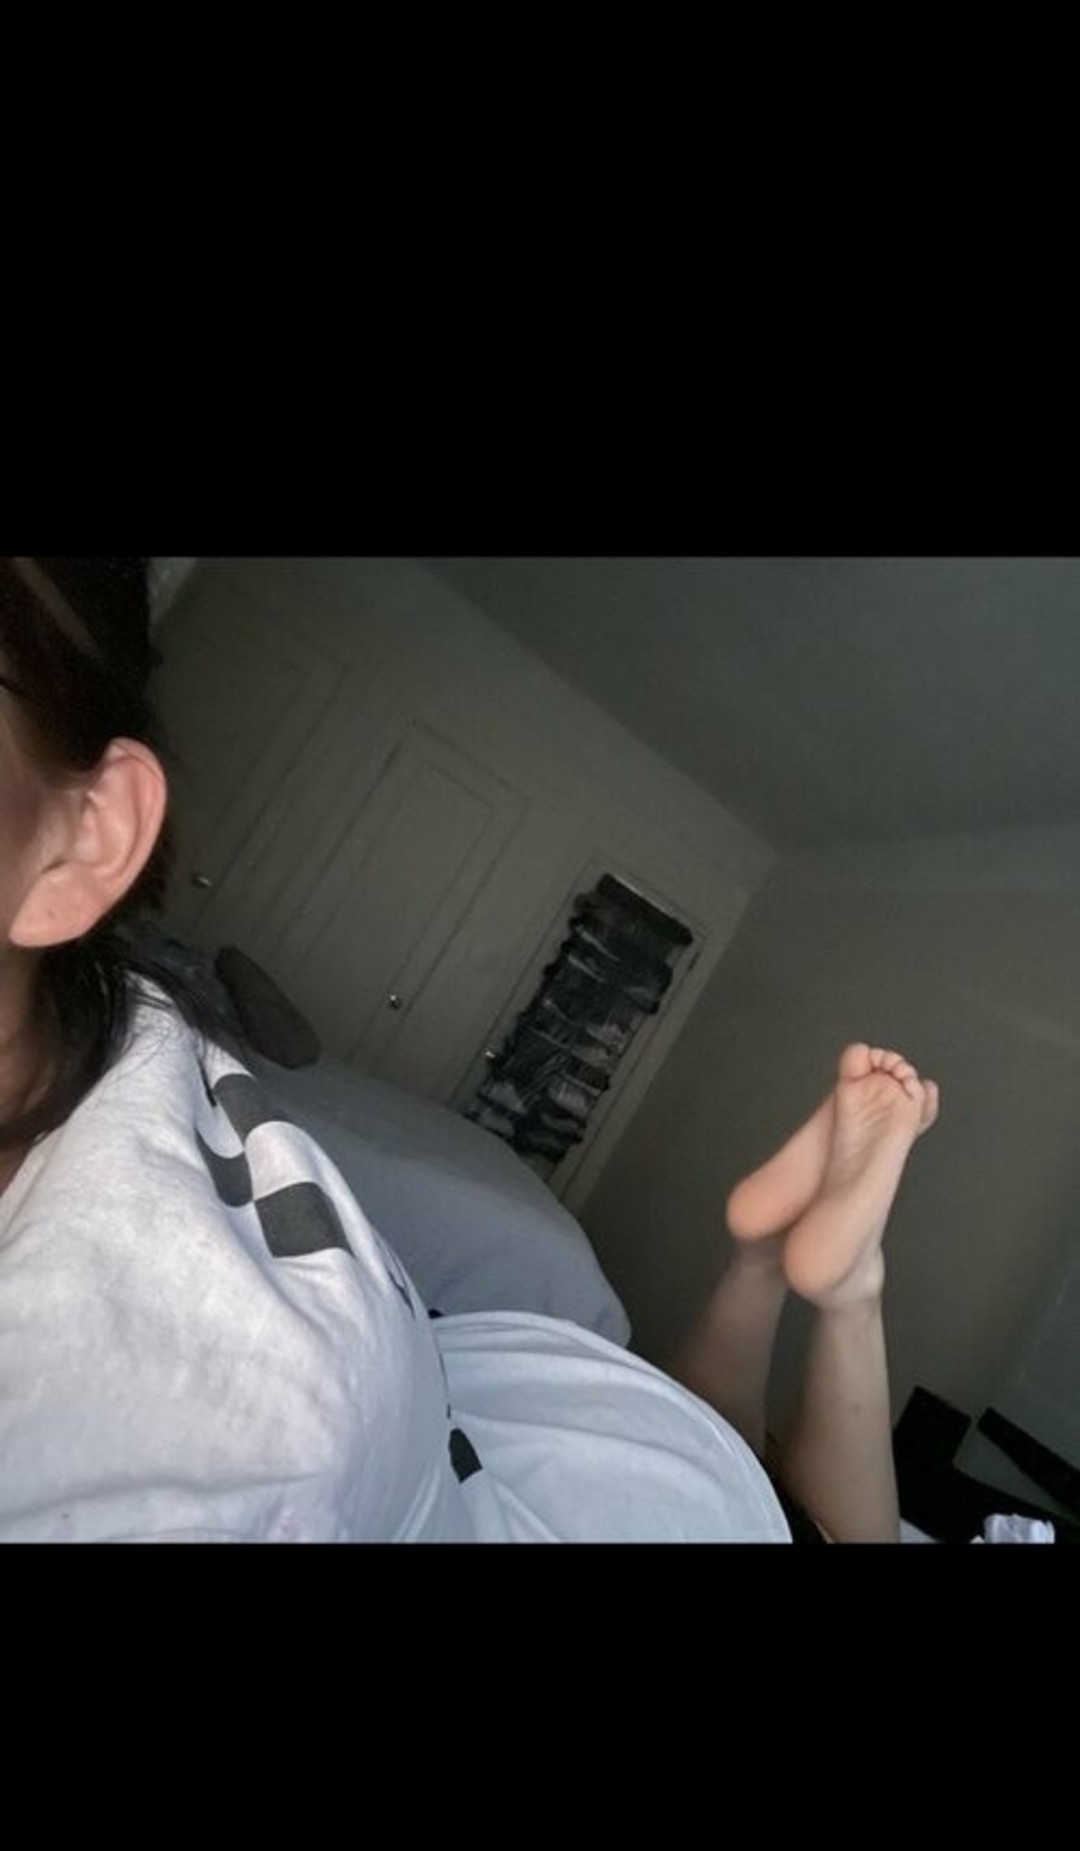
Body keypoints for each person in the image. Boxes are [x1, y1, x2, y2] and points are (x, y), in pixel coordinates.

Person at [0, 557, 939, 1543]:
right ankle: (812, 1277)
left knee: (767, 1485)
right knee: (773, 1488)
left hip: (579, 1445)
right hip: (585, 1444)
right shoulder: (139, 1037)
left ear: (83, 843)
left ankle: (785, 1268)